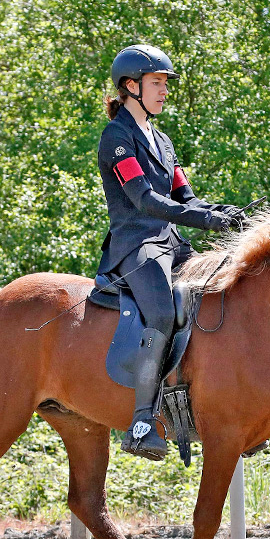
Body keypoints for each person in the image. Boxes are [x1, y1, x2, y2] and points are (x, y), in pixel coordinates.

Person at [96, 44, 245, 460]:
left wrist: (222, 213)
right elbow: (143, 199)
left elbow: (184, 195)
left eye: (165, 84)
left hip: (173, 245)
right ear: (131, 86)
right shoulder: (117, 138)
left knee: (221, 294)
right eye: (157, 83)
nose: (164, 91)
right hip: (136, 246)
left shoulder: (162, 140)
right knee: (162, 312)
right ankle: (142, 422)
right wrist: (204, 220)